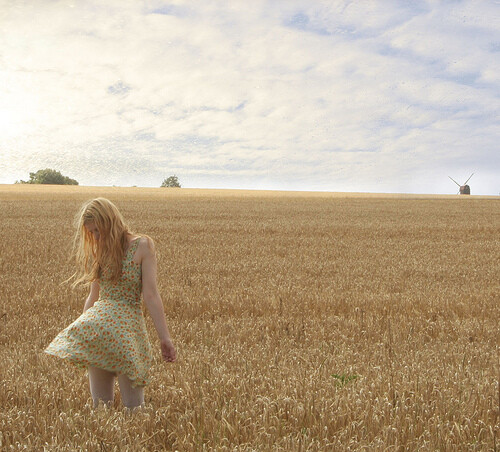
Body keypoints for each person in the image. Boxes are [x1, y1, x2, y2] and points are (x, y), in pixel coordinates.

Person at [45, 197, 176, 409]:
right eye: (92, 233)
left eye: (97, 230)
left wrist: (85, 330)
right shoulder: (143, 245)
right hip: (124, 335)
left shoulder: (124, 246)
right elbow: (150, 295)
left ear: (110, 221)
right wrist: (165, 338)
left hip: (100, 331)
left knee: (100, 409)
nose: (95, 237)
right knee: (134, 408)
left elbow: (93, 298)